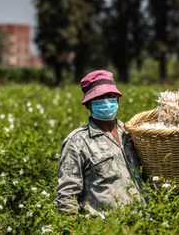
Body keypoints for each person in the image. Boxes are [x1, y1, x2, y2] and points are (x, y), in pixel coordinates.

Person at [56, 70, 143, 216]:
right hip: (105, 227)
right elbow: (67, 195)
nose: (107, 102)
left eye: (110, 96)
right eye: (100, 98)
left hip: (142, 223)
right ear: (88, 104)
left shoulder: (130, 133)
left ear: (118, 99)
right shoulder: (77, 142)